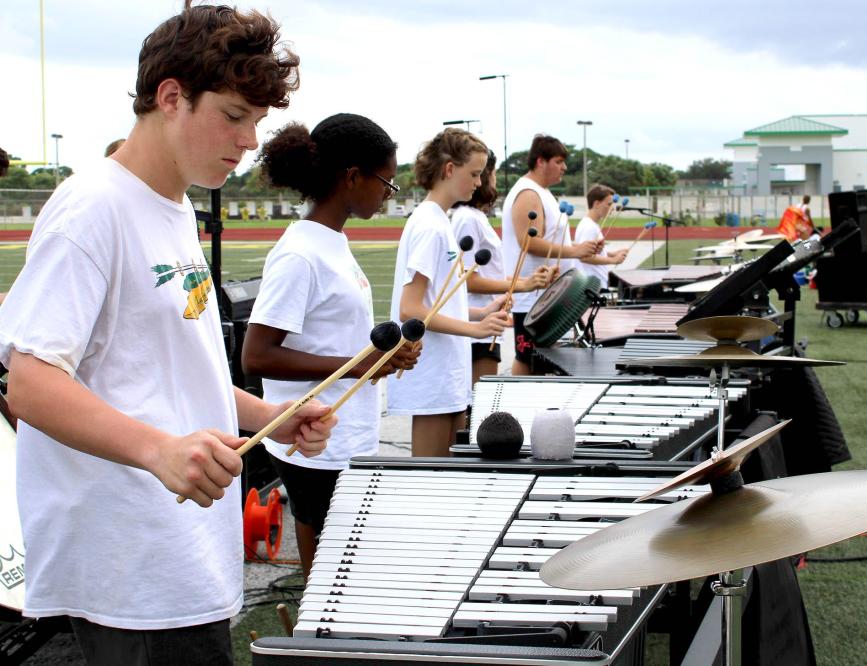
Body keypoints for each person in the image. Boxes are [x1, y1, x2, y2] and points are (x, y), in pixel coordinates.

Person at [0, 4, 336, 664]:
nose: (247, 140)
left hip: (185, 552)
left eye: (257, 123)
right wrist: (158, 452)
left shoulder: (174, 206)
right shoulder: (93, 208)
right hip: (129, 565)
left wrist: (269, 414)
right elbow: (31, 386)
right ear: (171, 97)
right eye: (234, 116)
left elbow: (175, 368)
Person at [241, 114, 419, 577]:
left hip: (343, 431)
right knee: (327, 574)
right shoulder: (300, 253)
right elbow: (256, 355)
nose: (388, 193)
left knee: (346, 563)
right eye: (386, 181)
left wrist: (385, 356)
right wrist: (361, 366)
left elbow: (334, 334)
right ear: (352, 176)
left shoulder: (332, 241)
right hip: (312, 437)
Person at [388, 128, 511, 456]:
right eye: (474, 173)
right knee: (430, 477)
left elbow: (438, 301)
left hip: (448, 370)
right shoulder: (429, 226)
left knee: (449, 469)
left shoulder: (440, 220)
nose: (479, 182)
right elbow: (410, 308)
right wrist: (475, 329)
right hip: (433, 371)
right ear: (449, 170)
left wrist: (481, 313)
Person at [501, 135, 599, 375]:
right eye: (558, 161)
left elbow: (551, 240)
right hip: (533, 298)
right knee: (528, 359)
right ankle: (517, 410)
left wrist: (580, 248)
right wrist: (574, 251)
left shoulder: (542, 192)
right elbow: (529, 241)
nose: (564, 167)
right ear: (540, 161)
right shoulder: (527, 193)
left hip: (547, 296)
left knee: (540, 361)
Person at [451, 151, 550, 385]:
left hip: (488, 323)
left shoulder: (475, 216)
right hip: (477, 327)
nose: (493, 181)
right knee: (477, 407)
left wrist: (520, 282)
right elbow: (468, 280)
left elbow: (487, 273)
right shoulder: (467, 218)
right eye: (492, 174)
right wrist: (521, 285)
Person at [575, 184, 629, 289]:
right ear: (597, 204)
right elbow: (584, 257)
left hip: (595, 284)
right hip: (592, 286)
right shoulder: (589, 227)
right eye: (609, 204)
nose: (612, 209)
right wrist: (613, 261)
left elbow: (591, 251)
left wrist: (612, 254)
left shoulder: (592, 224)